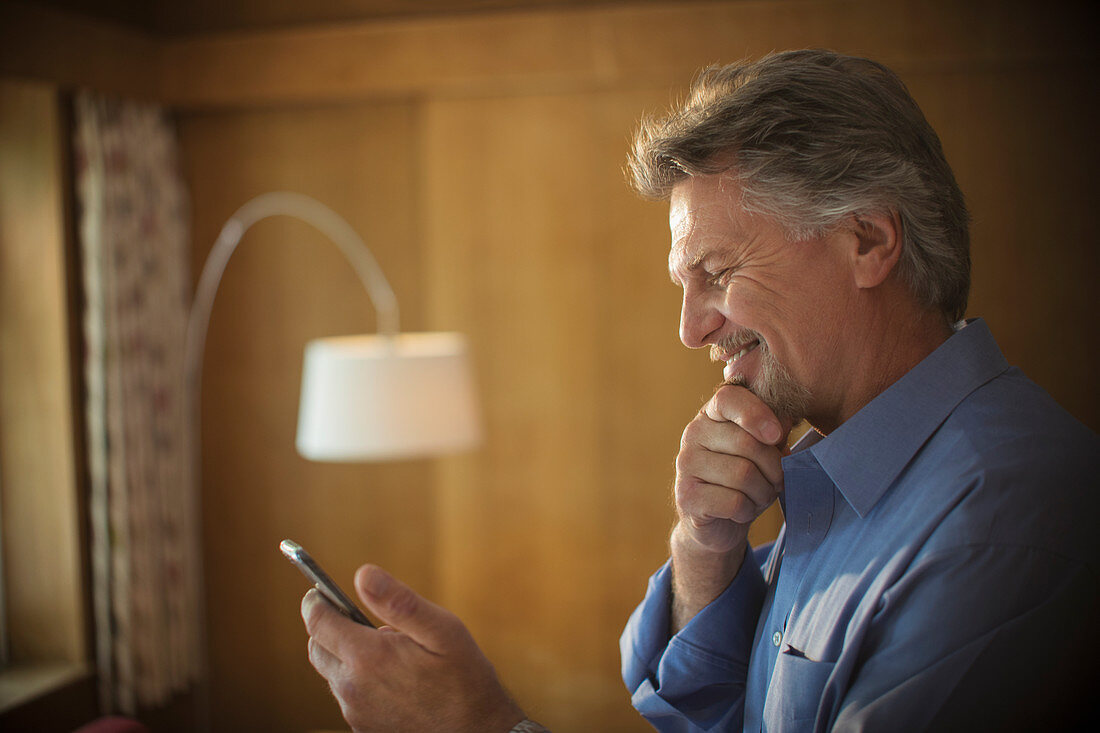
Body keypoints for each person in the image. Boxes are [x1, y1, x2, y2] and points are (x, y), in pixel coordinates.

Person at [300, 49, 1099, 731]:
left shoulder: (1006, 522)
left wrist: (481, 724)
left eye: (716, 274)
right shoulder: (836, 472)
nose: (691, 330)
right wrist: (704, 552)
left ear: (868, 240)